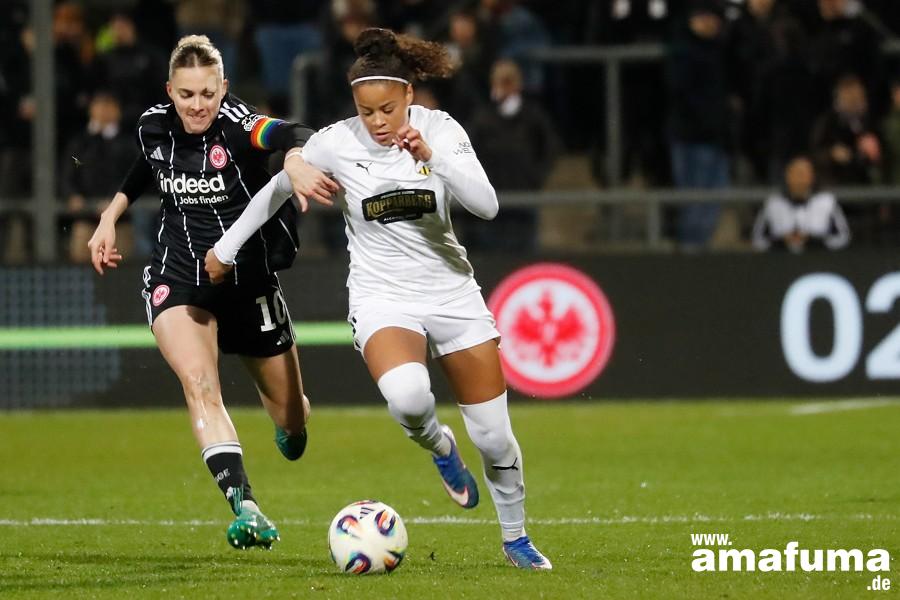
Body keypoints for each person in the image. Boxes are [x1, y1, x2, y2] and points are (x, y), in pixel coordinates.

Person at [206, 28, 552, 570]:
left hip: (452, 294)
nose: (378, 122)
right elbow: (276, 188)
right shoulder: (336, 143)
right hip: (382, 296)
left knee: (494, 439)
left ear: (409, 94)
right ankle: (440, 446)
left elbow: (486, 206)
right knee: (409, 398)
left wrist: (432, 157)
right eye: (366, 111)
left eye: (388, 109)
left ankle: (516, 538)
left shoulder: (441, 129)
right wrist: (226, 249)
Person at [86, 35, 338, 551]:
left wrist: (294, 158)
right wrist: (110, 215)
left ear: (223, 88)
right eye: (186, 95)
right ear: (170, 92)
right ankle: (245, 506)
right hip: (180, 275)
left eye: (207, 93)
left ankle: (291, 422)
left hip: (249, 283)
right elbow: (147, 164)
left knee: (292, 422)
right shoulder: (153, 125)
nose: (197, 105)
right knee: (200, 384)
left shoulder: (241, 126)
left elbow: (295, 131)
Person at [751, 155, 850, 252]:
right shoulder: (773, 203)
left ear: (812, 176)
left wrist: (813, 241)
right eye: (796, 172)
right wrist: (781, 241)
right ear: (787, 175)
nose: (800, 177)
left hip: (819, 257)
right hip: (780, 258)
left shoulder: (827, 201)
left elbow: (843, 237)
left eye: (804, 173)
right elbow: (757, 240)